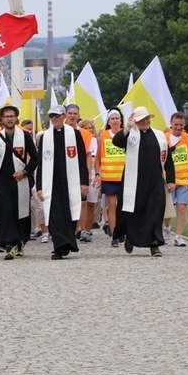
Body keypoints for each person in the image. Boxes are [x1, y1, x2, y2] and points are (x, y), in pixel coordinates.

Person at [113, 106, 174, 257]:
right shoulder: (130, 134)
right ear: (136, 121)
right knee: (133, 212)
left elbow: (168, 159)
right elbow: (117, 142)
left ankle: (154, 244)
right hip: (134, 181)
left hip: (155, 181)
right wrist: (127, 127)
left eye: (147, 118)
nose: (146, 121)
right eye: (142, 120)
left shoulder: (160, 136)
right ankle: (130, 237)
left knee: (155, 212)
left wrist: (171, 180)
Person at [0, 104, 39, 260]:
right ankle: (9, 243)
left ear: (16, 118)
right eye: (6, 116)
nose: (9, 119)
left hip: (20, 181)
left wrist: (24, 172)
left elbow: (35, 159)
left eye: (12, 116)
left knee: (21, 212)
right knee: (5, 211)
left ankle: (20, 241)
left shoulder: (25, 136)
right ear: (2, 119)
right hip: (2, 181)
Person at [36, 105, 88, 260]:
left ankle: (68, 243)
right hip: (51, 182)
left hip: (70, 180)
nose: (54, 119)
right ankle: (58, 246)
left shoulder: (75, 134)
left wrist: (84, 182)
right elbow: (41, 162)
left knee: (71, 211)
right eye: (51, 116)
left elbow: (81, 160)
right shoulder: (45, 137)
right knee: (53, 214)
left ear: (64, 116)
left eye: (57, 116)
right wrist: (39, 186)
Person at [163, 112, 188, 248]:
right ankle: (166, 229)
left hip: (184, 179)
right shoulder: (164, 138)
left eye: (181, 125)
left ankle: (178, 236)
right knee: (167, 209)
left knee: (182, 207)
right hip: (168, 179)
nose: (178, 127)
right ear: (171, 124)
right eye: (176, 125)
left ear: (184, 125)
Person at [93, 108, 125, 247]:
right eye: (112, 118)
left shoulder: (126, 134)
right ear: (108, 121)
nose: (115, 121)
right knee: (112, 206)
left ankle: (124, 230)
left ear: (121, 120)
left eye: (117, 118)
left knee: (123, 207)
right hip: (109, 176)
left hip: (124, 176)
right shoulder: (103, 136)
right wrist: (98, 174)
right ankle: (114, 235)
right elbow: (98, 158)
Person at [64, 104, 94, 242]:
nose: (72, 116)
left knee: (80, 203)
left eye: (75, 113)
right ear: (65, 114)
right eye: (70, 113)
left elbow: (88, 155)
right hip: (64, 173)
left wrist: (86, 175)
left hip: (78, 172)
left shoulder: (85, 134)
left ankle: (77, 231)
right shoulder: (58, 131)